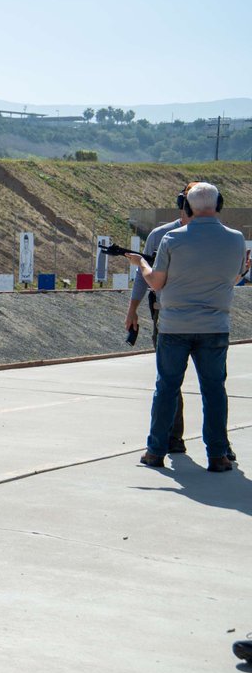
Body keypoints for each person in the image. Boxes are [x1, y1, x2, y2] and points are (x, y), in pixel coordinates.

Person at [126, 182, 245, 472]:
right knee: (214, 390)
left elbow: (156, 282)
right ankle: (217, 455)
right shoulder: (237, 239)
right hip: (215, 325)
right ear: (218, 205)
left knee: (166, 388)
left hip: (174, 325)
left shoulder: (171, 239)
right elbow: (235, 278)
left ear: (188, 206)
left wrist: (141, 263)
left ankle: (155, 452)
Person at [124, 184, 197, 454]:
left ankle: (218, 445)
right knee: (170, 379)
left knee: (207, 383)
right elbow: (143, 280)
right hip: (163, 313)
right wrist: (132, 310)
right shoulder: (160, 235)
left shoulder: (213, 236)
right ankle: (174, 437)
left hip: (193, 315)